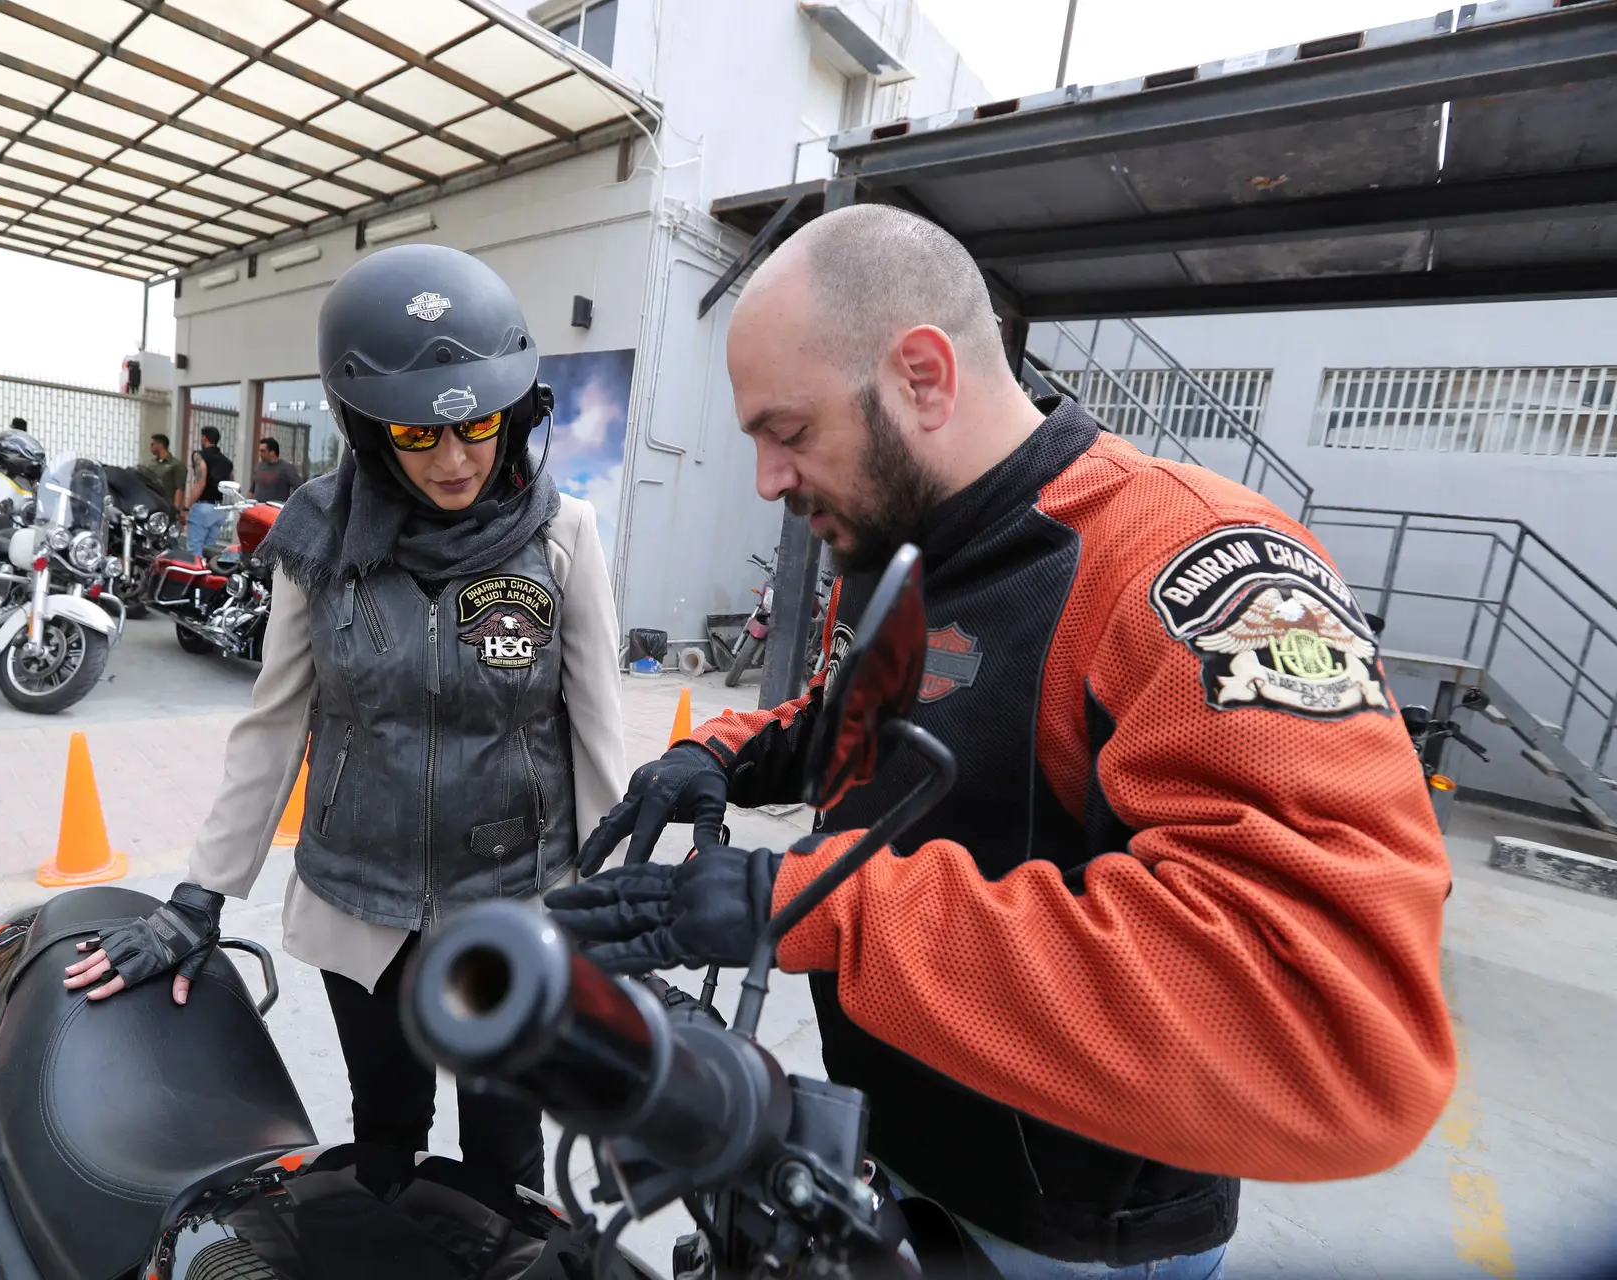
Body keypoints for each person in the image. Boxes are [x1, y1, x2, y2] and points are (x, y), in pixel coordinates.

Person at [548, 206, 1455, 1279]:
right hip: (881, 1163)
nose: (768, 480)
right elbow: (884, 719)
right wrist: (727, 750)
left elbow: (1332, 1023)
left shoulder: (1179, 562)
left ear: (923, 376)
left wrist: (809, 901)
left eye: (788, 432)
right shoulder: (914, 547)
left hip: (1058, 1237)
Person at [62, 244, 628, 1201]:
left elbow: (598, 734)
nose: (455, 460)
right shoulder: (315, 541)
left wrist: (619, 909)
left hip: (514, 905)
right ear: (369, 431)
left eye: (478, 426)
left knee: (505, 1151)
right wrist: (201, 895)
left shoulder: (561, 535)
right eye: (417, 437)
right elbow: (275, 724)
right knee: (387, 1136)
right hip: (360, 905)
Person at [185, 425, 234, 558]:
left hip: (202, 506)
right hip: (219, 508)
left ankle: (195, 576)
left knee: (194, 549)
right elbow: (230, 484)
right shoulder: (227, 462)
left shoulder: (199, 455)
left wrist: (186, 507)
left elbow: (201, 482)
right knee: (210, 549)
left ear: (204, 438)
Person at [250, 436, 303, 503]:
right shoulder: (259, 466)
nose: (260, 453)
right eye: (259, 450)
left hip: (275, 510)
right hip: (258, 509)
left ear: (272, 452)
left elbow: (300, 487)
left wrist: (291, 505)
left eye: (262, 451)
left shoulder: (286, 468)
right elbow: (253, 488)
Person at [137, 432, 185, 501]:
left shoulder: (176, 464)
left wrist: (176, 510)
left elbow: (179, 489)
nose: (150, 447)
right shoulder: (150, 463)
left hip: (167, 503)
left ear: (159, 445)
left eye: (152, 444)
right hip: (151, 502)